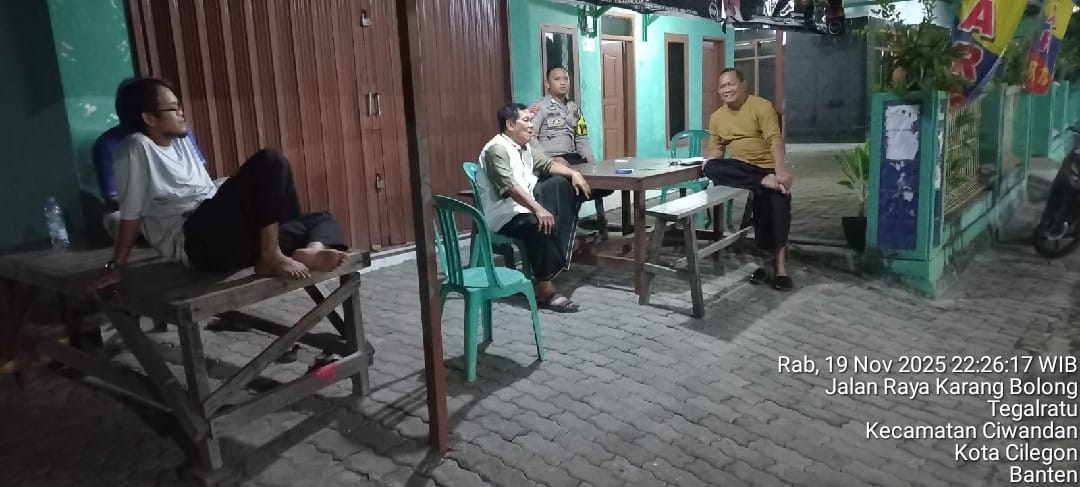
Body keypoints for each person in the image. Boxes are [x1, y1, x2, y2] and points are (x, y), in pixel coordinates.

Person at [90, 77, 349, 291]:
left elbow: (208, 190)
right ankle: (272, 254)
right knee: (270, 161)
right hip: (197, 242)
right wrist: (117, 267)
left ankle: (307, 249)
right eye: (173, 108)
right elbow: (131, 215)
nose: (181, 113)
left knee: (321, 218)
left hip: (226, 238)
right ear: (150, 118)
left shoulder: (181, 140)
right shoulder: (136, 147)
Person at [476, 103, 592, 313]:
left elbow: (547, 164)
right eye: (526, 120)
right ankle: (545, 290)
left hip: (522, 208)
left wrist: (574, 174)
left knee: (560, 183)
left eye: (531, 120)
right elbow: (509, 187)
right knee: (537, 223)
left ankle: (556, 256)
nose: (531, 125)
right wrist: (539, 209)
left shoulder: (524, 147)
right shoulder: (497, 150)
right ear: (510, 125)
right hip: (503, 215)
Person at [702, 67, 795, 291]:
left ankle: (780, 270)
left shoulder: (761, 106)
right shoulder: (717, 117)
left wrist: (780, 171)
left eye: (731, 84)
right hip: (744, 170)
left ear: (743, 85)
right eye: (722, 86)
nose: (727, 89)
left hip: (768, 168)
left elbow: (774, 139)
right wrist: (708, 164)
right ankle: (765, 265)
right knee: (710, 166)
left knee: (778, 210)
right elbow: (716, 151)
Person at [92, 124, 210, 240]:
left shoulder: (180, 132)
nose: (179, 114)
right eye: (171, 111)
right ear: (148, 117)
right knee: (115, 219)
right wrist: (166, 208)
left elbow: (201, 178)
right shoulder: (107, 144)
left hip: (188, 200)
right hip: (146, 209)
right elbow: (113, 198)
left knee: (220, 190)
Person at [528, 67, 613, 227]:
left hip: (573, 160)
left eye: (565, 79)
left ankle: (589, 225)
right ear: (547, 83)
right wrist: (550, 160)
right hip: (551, 163)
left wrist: (593, 165)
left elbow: (582, 139)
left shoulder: (574, 109)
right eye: (557, 79)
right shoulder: (538, 108)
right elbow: (529, 138)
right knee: (565, 186)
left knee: (606, 183)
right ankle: (565, 228)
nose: (563, 82)